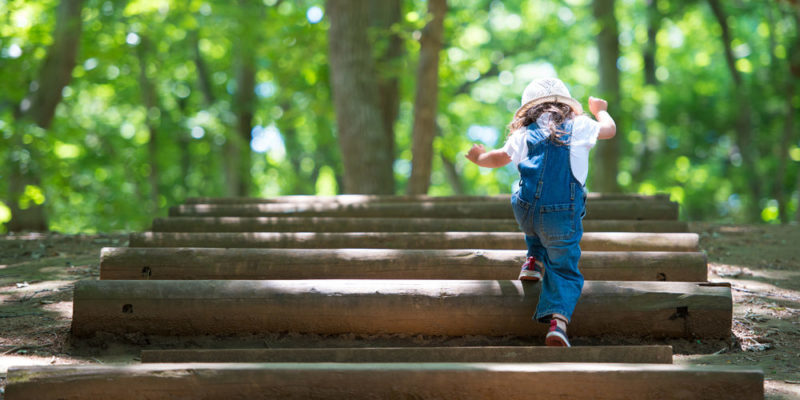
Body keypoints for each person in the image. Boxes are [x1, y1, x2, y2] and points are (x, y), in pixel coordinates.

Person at [465, 77, 616, 347]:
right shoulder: (580, 126)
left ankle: (533, 261)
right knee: (563, 268)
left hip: (526, 213)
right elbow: (609, 130)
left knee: (526, 199)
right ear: (567, 107)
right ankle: (557, 322)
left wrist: (478, 158)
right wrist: (599, 110)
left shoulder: (523, 134)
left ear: (529, 110)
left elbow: (498, 158)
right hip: (562, 217)